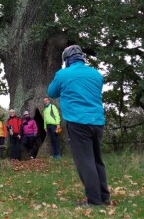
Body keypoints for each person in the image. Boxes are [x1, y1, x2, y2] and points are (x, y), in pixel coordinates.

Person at [47, 45, 110, 206]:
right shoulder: (96, 74)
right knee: (97, 160)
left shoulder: (63, 74)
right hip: (97, 122)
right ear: (82, 57)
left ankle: (94, 200)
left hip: (77, 122)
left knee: (85, 162)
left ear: (67, 60)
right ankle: (104, 197)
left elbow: (52, 92)